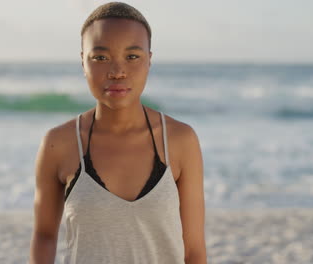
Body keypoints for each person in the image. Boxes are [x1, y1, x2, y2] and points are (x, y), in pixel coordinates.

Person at [29, 2, 206, 263]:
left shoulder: (180, 140)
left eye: (132, 56)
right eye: (100, 57)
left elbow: (193, 250)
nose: (117, 71)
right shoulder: (59, 143)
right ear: (83, 62)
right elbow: (44, 236)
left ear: (149, 61)